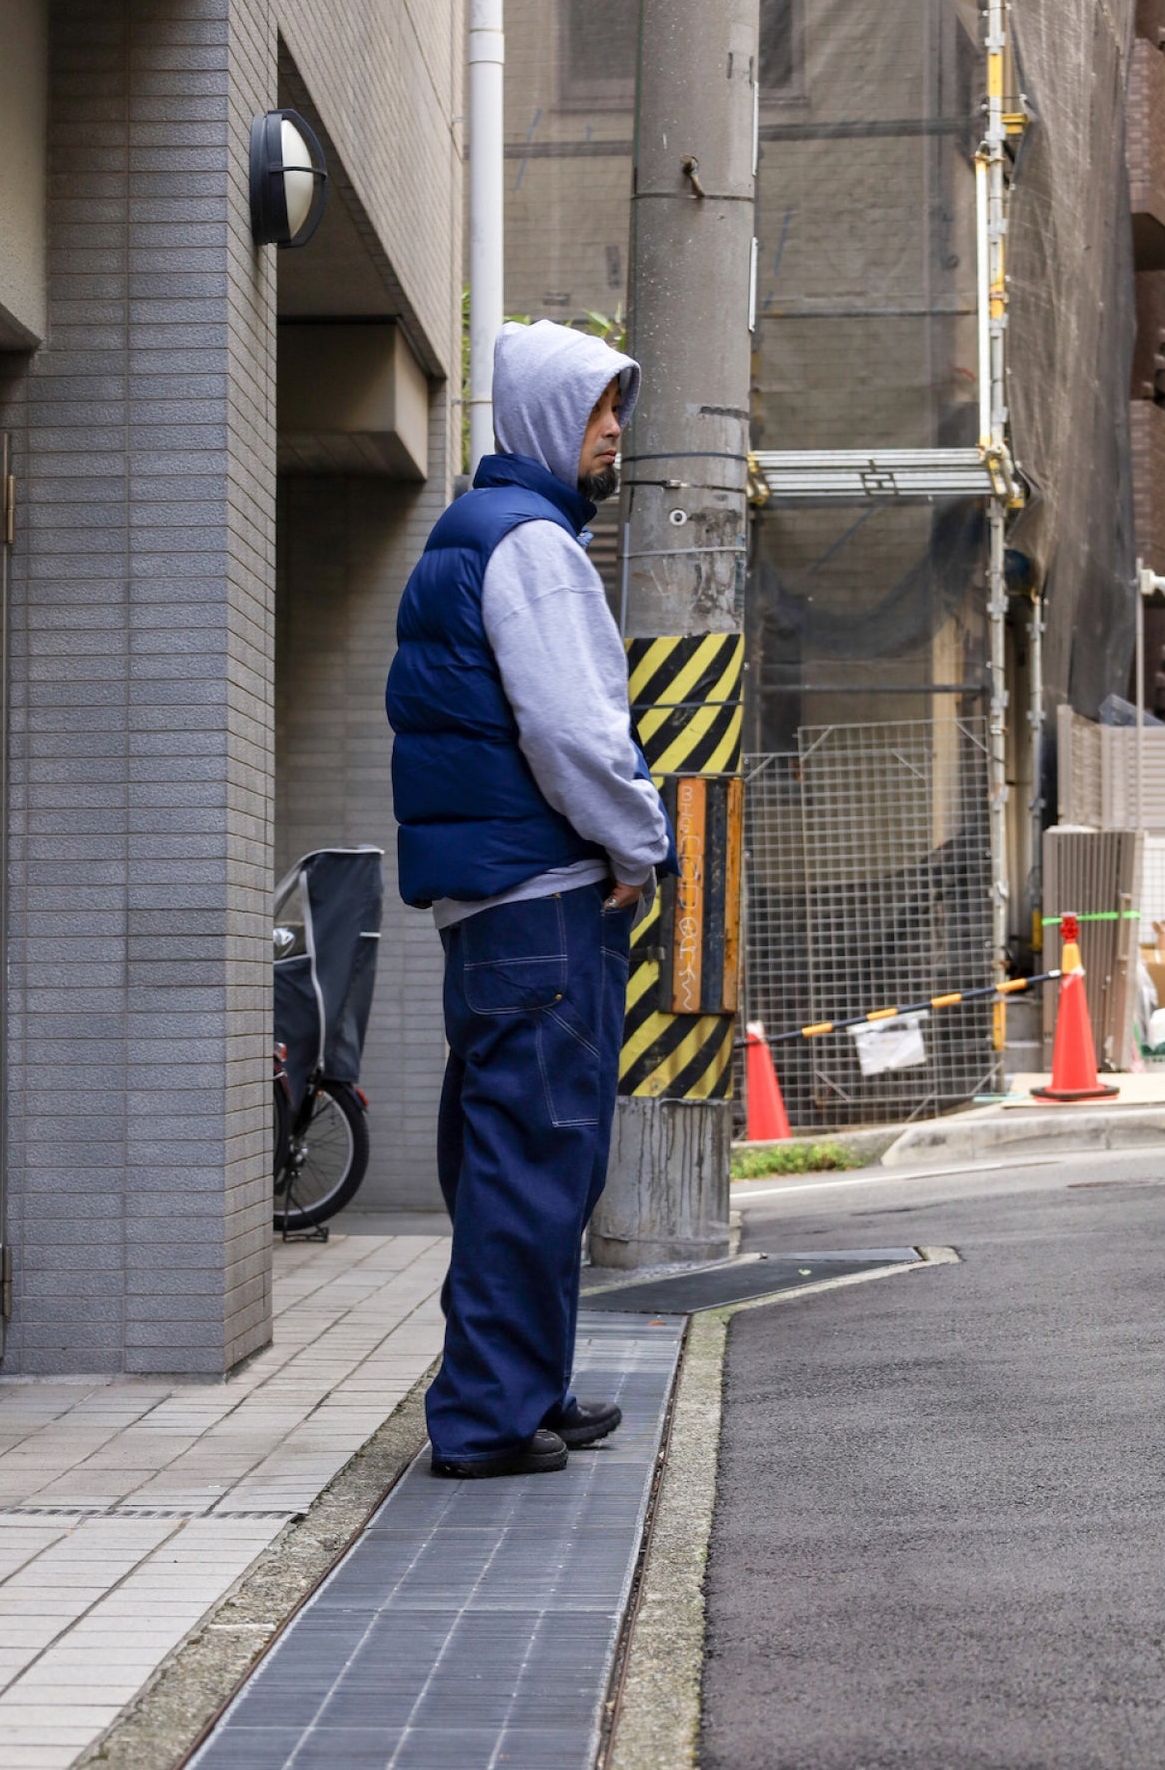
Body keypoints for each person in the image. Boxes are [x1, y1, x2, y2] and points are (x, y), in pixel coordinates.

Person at [385, 318, 673, 1479]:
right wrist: (638, 843)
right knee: (534, 1156)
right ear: (554, 420)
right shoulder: (531, 548)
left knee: (514, 1154)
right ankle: (489, 1420)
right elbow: (573, 732)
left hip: (490, 907)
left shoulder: (470, 536)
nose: (614, 432)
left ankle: (525, 1388)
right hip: (545, 899)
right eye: (601, 410)